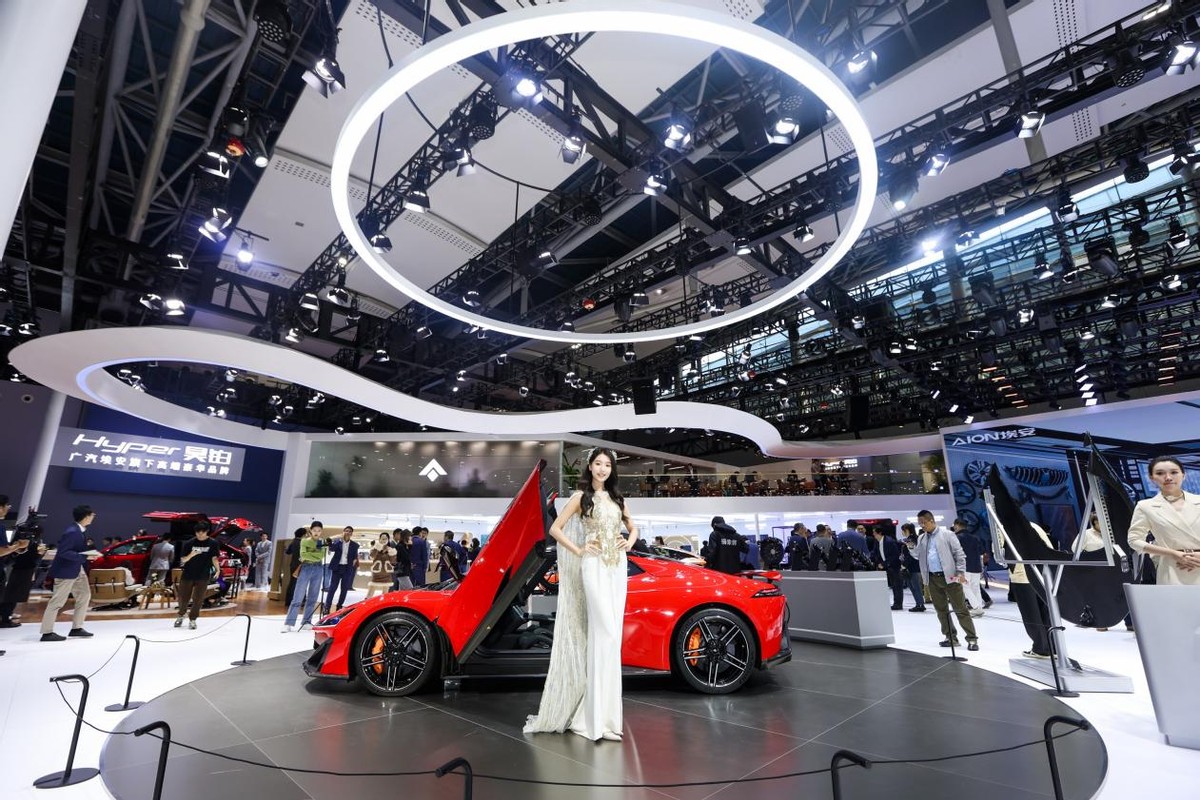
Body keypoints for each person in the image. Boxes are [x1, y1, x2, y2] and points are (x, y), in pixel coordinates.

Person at [526, 447, 637, 742]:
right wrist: (578, 549)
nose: (602, 469)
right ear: (589, 467)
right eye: (598, 463)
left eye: (607, 465)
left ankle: (607, 720)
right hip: (593, 566)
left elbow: (633, 526)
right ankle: (592, 720)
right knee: (605, 634)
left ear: (612, 469)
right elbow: (555, 529)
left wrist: (630, 541)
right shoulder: (580, 497)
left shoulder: (617, 498)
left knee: (610, 641)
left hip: (616, 568)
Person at [1127, 455, 1200, 585]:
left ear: (1183, 475)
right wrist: (1172, 553)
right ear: (1151, 478)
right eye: (1160, 473)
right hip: (1172, 568)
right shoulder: (1145, 506)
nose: (1168, 477)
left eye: (1174, 472)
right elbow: (1134, 540)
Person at [911, 510, 978, 650]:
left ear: (932, 520)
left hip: (950, 577)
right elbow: (917, 555)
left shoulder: (947, 534)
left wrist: (960, 573)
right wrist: (911, 547)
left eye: (923, 522)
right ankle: (950, 637)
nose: (922, 525)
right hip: (932, 578)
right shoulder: (922, 538)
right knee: (941, 610)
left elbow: (959, 554)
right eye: (919, 523)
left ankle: (972, 639)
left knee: (960, 609)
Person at [40, 505, 99, 641]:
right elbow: (64, 552)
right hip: (66, 570)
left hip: (76, 568)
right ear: (86, 516)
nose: (93, 517)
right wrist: (85, 557)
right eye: (92, 514)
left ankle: (77, 628)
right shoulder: (72, 532)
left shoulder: (78, 530)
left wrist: (86, 555)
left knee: (84, 595)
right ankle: (47, 632)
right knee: (57, 601)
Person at [1002, 522, 1056, 658]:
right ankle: (1053, 647)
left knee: (1031, 614)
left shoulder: (1003, 529)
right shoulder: (1034, 526)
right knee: (1045, 613)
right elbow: (1049, 548)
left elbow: (1001, 556)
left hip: (1022, 576)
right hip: (1041, 575)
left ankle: (1041, 649)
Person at [174, 520, 221, 629]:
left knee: (198, 599)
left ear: (207, 531)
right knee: (183, 598)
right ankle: (181, 615)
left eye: (202, 532)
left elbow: (214, 558)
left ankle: (193, 619)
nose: (200, 534)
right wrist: (191, 555)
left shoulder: (213, 543)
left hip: (203, 575)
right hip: (188, 574)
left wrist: (218, 570)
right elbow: (183, 560)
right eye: (197, 532)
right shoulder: (189, 543)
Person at [284, 522, 326, 632]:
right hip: (306, 568)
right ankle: (289, 623)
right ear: (311, 530)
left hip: (318, 569)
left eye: (319, 530)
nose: (316, 532)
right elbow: (303, 555)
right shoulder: (304, 541)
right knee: (298, 596)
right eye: (315, 530)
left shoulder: (322, 542)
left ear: (321, 531)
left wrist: (310, 553)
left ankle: (307, 621)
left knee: (312, 597)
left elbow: (321, 556)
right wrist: (315, 553)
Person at [953, 519, 986, 617]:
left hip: (964, 567)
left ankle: (976, 608)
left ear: (957, 525)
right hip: (976, 566)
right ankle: (979, 608)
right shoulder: (975, 537)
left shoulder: (957, 538)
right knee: (976, 588)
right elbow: (982, 551)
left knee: (965, 587)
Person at [325, 526, 360, 613]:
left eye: (349, 531)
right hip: (337, 568)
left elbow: (355, 557)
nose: (348, 532)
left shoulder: (355, 545)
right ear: (343, 532)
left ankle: (339, 606)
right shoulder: (338, 542)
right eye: (346, 531)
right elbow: (332, 549)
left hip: (347, 569)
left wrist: (352, 565)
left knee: (344, 589)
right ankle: (327, 607)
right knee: (332, 588)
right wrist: (336, 541)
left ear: (351, 534)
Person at [872, 527, 904, 610]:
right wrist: (878, 562)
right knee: (893, 585)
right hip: (886, 566)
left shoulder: (889, 542)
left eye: (874, 532)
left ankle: (898, 604)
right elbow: (875, 553)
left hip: (894, 566)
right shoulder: (877, 541)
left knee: (897, 586)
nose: (873, 534)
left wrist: (884, 564)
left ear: (880, 533)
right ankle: (895, 603)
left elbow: (895, 555)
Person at [899, 523, 926, 612]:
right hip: (913, 566)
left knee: (915, 586)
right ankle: (919, 603)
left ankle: (920, 604)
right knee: (914, 586)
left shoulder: (910, 540)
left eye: (903, 530)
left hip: (911, 567)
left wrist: (904, 565)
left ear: (906, 530)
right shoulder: (915, 539)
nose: (902, 532)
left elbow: (911, 555)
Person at [367, 533, 397, 599]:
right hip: (377, 573)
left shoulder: (390, 550)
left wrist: (392, 554)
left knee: (385, 593)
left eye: (385, 539)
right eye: (382, 539)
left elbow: (393, 562)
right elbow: (371, 557)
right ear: (379, 539)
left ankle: (383, 604)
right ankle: (366, 604)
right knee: (370, 592)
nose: (384, 540)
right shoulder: (375, 548)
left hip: (386, 574)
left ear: (388, 540)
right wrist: (377, 548)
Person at [284, 527, 305, 606]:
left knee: (292, 583)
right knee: (301, 584)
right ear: (303, 535)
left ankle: (288, 601)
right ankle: (301, 601)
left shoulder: (293, 542)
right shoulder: (302, 543)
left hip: (293, 564)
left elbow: (288, 552)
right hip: (301, 565)